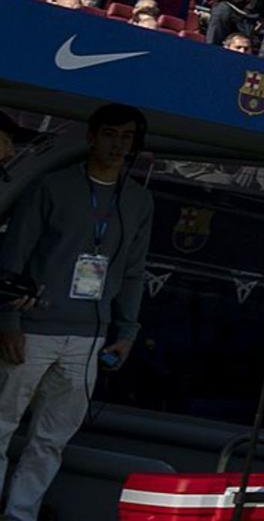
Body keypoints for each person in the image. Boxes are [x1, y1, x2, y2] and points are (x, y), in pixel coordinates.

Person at [0, 104, 153, 521]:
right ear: (91, 136)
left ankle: (19, 514)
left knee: (51, 440)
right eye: (109, 134)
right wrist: (9, 322)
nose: (117, 144)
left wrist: (127, 331)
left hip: (89, 336)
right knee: (1, 426)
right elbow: (13, 259)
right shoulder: (51, 186)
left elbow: (134, 271)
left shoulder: (139, 200)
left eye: (126, 137)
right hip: (33, 329)